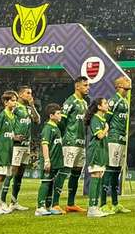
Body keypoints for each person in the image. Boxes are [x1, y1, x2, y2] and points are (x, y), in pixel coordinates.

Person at [1, 85, 40, 211]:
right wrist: (12, 136)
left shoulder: (28, 108)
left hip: (26, 145)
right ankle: (2, 202)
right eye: (28, 93)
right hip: (16, 145)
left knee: (20, 175)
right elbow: (6, 120)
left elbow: (37, 120)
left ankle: (14, 202)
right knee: (11, 173)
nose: (30, 95)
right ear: (21, 95)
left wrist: (32, 105)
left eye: (31, 93)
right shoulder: (14, 106)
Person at [55, 76, 89, 213]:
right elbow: (62, 121)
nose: (88, 88)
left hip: (81, 142)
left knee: (76, 173)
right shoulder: (70, 101)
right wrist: (65, 136)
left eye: (88, 85)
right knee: (64, 172)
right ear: (77, 86)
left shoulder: (85, 103)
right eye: (85, 85)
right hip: (70, 142)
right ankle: (55, 203)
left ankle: (70, 203)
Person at [101, 76, 132, 214]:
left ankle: (115, 203)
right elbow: (105, 119)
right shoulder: (114, 100)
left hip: (121, 139)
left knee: (116, 173)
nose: (129, 81)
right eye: (126, 80)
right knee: (109, 171)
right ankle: (102, 203)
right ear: (119, 85)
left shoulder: (125, 101)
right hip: (113, 139)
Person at [0, 91, 18, 216]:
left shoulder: (13, 117)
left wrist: (16, 138)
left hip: (9, 150)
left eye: (15, 100)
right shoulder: (2, 115)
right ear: (6, 102)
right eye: (12, 100)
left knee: (4, 176)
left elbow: (10, 135)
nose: (14, 102)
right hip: (0, 151)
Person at [35, 103, 64, 216]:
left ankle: (48, 206)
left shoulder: (56, 127)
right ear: (51, 116)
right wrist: (47, 160)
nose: (60, 115)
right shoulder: (48, 128)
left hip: (56, 161)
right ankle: (40, 207)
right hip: (50, 160)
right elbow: (45, 144)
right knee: (46, 182)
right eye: (58, 113)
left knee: (51, 183)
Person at [85, 97, 111, 218]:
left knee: (99, 176)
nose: (107, 104)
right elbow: (100, 135)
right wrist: (106, 129)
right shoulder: (95, 118)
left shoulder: (102, 118)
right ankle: (91, 207)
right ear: (99, 107)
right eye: (105, 103)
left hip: (101, 150)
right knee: (95, 176)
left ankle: (95, 207)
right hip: (95, 150)